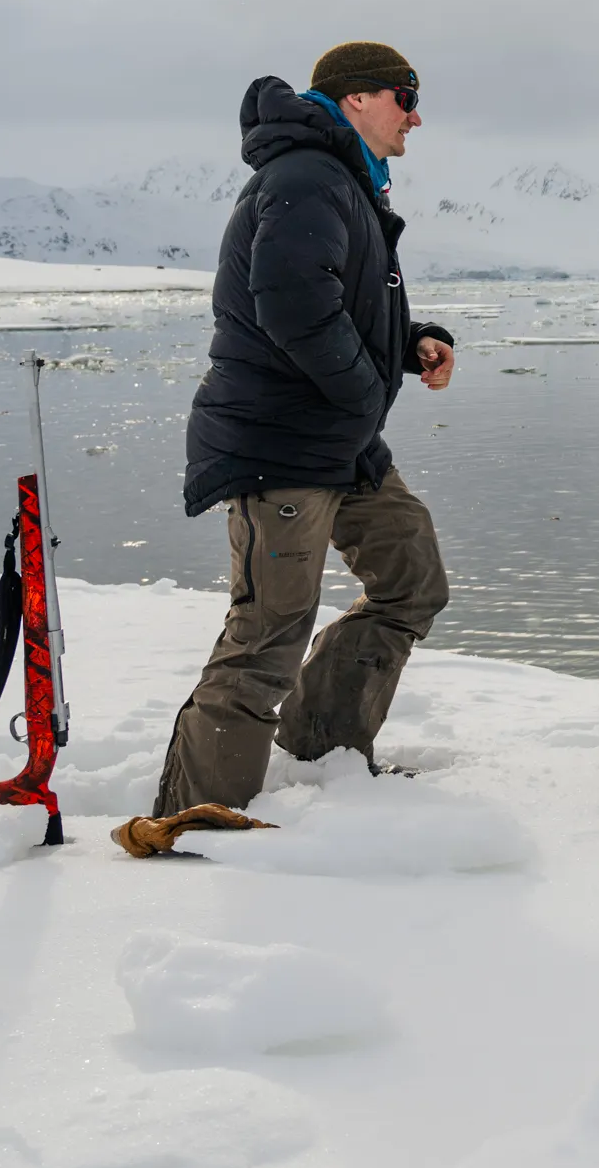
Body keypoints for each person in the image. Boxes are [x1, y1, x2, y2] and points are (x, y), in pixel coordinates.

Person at [117, 42, 459, 856]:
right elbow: (292, 306)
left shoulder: (342, 182)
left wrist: (411, 342)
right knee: (270, 629)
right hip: (284, 448)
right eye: (404, 95)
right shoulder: (306, 176)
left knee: (411, 580)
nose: (416, 114)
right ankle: (190, 819)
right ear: (355, 100)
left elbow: (332, 303)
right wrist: (363, 388)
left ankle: (321, 754)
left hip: (341, 443)